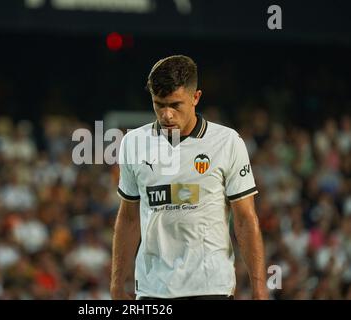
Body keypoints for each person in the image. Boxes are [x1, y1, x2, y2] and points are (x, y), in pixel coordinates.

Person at [110, 55, 268, 300]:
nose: (167, 115)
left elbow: (245, 219)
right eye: (159, 104)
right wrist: (117, 283)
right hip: (153, 290)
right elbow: (128, 218)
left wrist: (259, 288)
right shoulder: (133, 143)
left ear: (196, 98)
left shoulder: (227, 142)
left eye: (175, 105)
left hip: (210, 286)